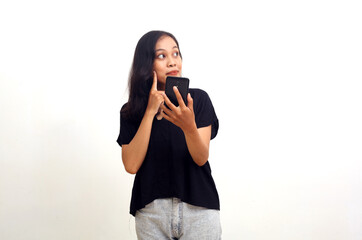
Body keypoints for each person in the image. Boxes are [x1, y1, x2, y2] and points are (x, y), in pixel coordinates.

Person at [117, 30, 221, 240]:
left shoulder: (198, 100)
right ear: (147, 64)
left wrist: (188, 126)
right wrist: (149, 111)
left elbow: (201, 157)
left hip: (199, 210)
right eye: (162, 56)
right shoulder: (131, 111)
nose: (173, 62)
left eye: (176, 54)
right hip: (151, 213)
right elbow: (131, 165)